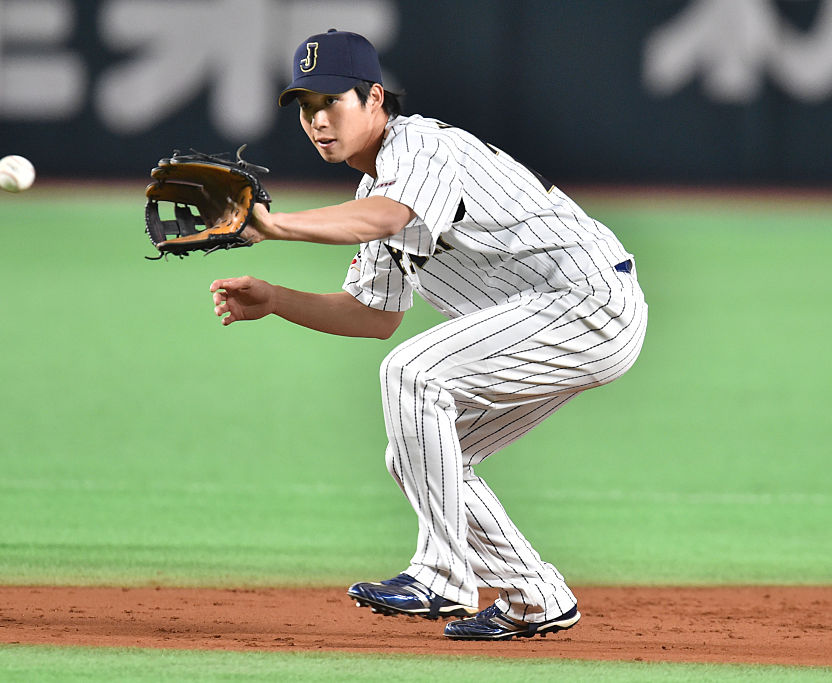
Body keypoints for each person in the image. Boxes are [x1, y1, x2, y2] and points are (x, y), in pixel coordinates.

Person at [209, 29, 647, 641]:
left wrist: (276, 226)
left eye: (333, 102)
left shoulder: (420, 148)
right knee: (418, 449)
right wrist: (277, 300)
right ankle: (534, 596)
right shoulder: (376, 187)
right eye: (307, 108)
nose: (318, 121)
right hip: (555, 316)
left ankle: (442, 575)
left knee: (414, 375)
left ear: (375, 99)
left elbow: (393, 216)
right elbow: (374, 314)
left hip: (586, 303)